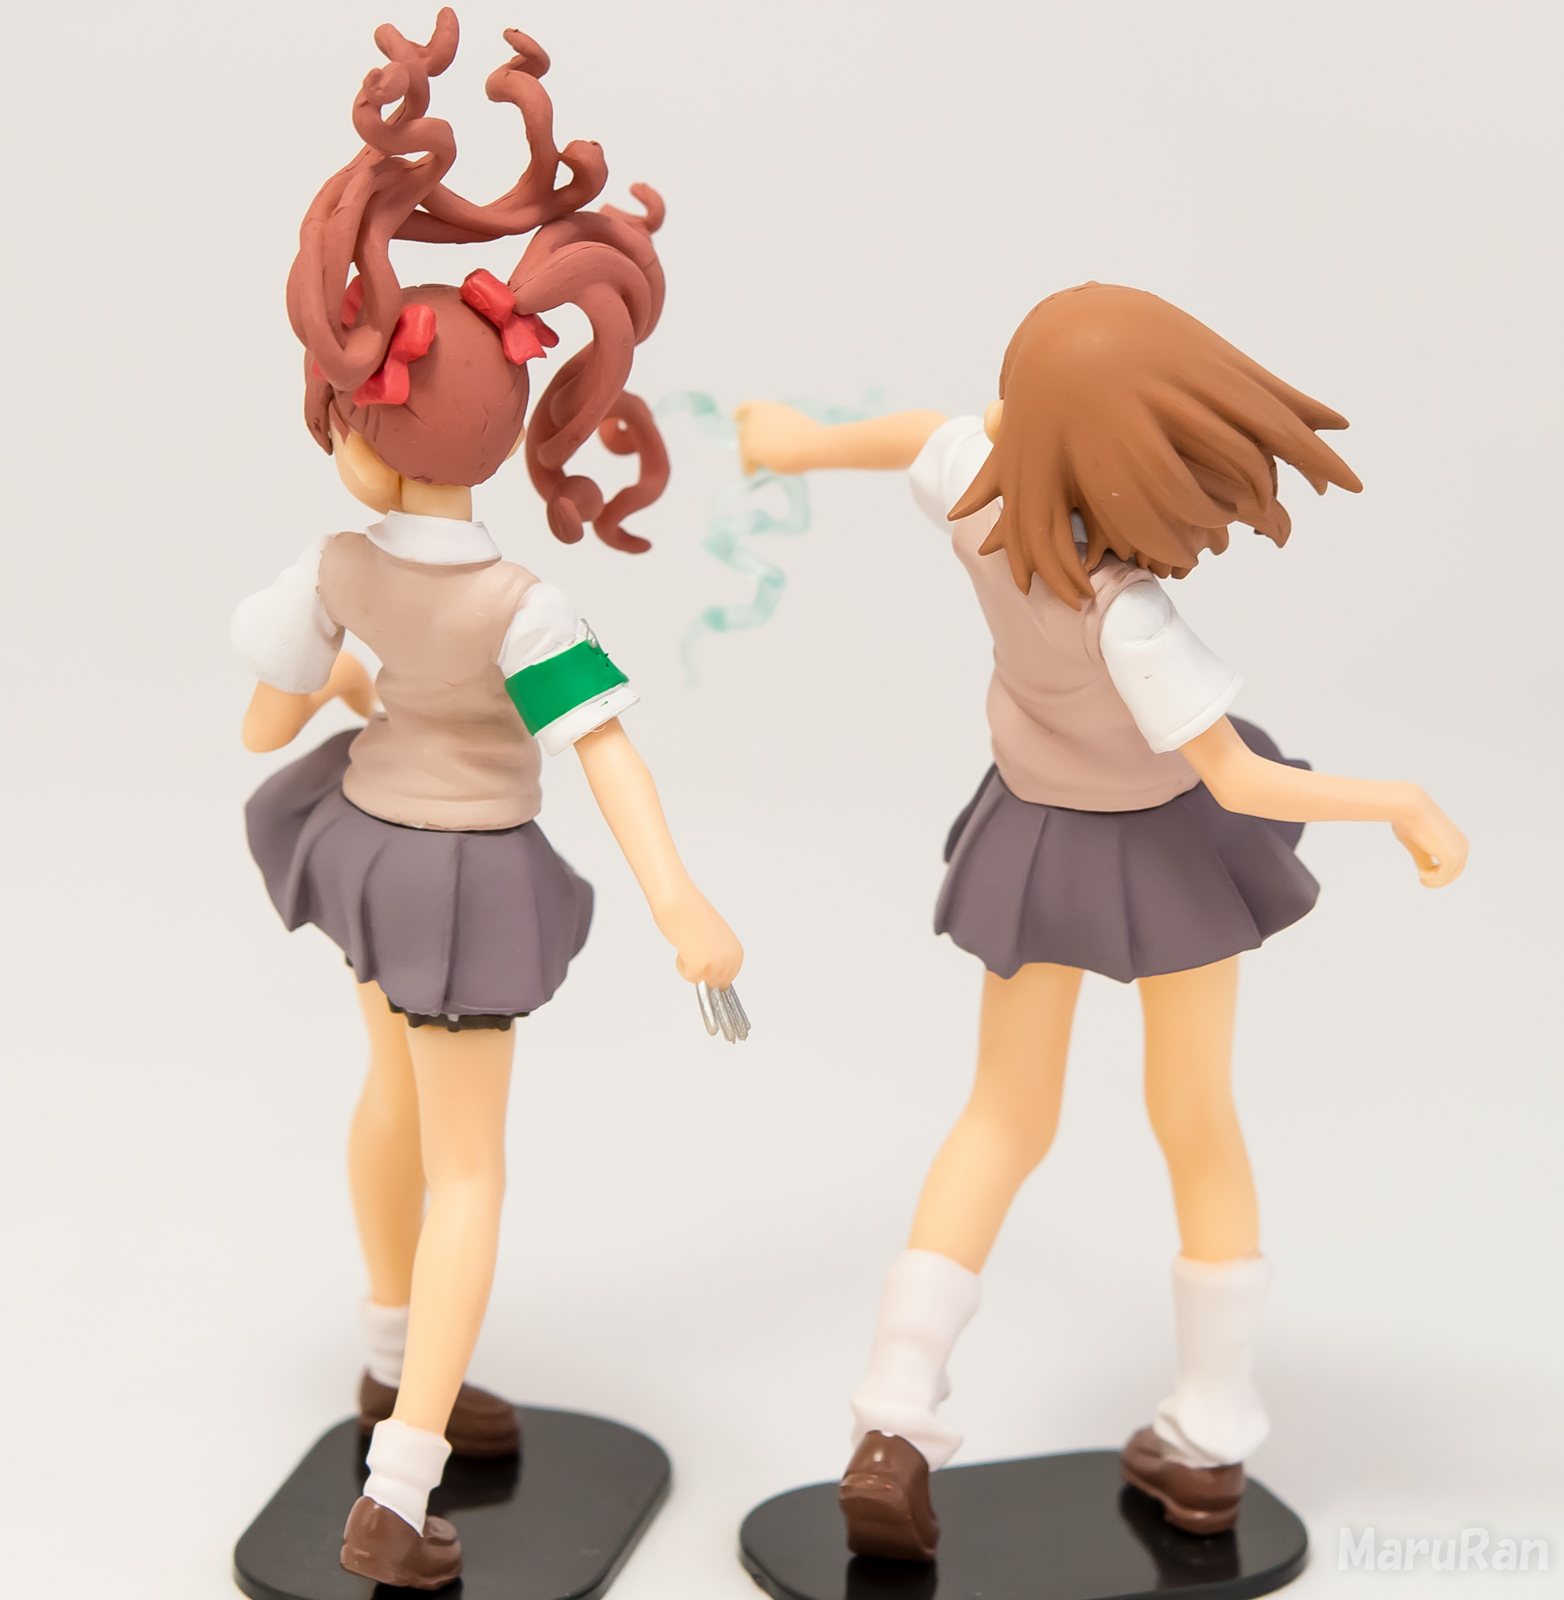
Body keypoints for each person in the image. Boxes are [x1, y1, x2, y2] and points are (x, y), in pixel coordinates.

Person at [737, 281, 1465, 1558]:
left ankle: (891, 1419)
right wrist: (1397, 800)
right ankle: (1209, 1435)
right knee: (1195, 1119)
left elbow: (919, 432)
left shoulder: (976, 494)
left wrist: (796, 442)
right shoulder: (1130, 615)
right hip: (1167, 850)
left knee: (1000, 1116)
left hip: (1035, 836)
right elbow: (1239, 779)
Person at [232, 13, 742, 1587]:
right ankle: (396, 1490)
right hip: (461, 875)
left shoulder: (338, 565)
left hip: (367, 854)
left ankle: (394, 1362)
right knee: (467, 1168)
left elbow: (265, 719)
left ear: (369, 423)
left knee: (389, 1099)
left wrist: (351, 685)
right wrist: (679, 902)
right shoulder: (525, 605)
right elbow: (604, 751)